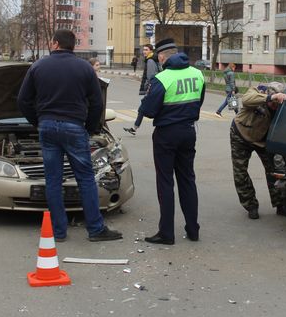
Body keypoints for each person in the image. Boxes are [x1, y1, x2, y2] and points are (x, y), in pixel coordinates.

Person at [17, 29, 122, 243]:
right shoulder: (84, 68)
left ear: (56, 43)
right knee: (85, 178)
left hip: (47, 127)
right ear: (72, 45)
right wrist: (89, 128)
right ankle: (95, 229)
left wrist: (38, 121)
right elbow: (97, 103)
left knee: (53, 180)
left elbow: (23, 100)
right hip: (74, 127)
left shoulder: (38, 66)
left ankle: (58, 231)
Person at [137, 37, 205, 245]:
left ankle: (166, 233)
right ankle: (193, 230)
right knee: (187, 180)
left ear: (161, 57)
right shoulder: (197, 74)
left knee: (165, 182)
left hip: (166, 134)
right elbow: (199, 101)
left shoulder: (162, 78)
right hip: (189, 132)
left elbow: (149, 110)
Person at [229, 82, 286, 219]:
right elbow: (246, 100)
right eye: (273, 103)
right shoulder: (257, 92)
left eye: (277, 104)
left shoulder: (282, 104)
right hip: (241, 135)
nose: (275, 106)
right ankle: (251, 205)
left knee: (274, 171)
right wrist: (270, 98)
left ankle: (280, 204)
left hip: (262, 141)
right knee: (240, 173)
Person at [124, 43, 159, 135]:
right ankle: (134, 128)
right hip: (154, 87)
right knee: (143, 109)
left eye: (146, 50)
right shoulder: (152, 59)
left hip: (151, 88)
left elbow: (151, 76)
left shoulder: (150, 61)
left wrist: (148, 87)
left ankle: (135, 128)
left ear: (151, 51)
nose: (144, 51)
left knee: (143, 108)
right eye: (143, 50)